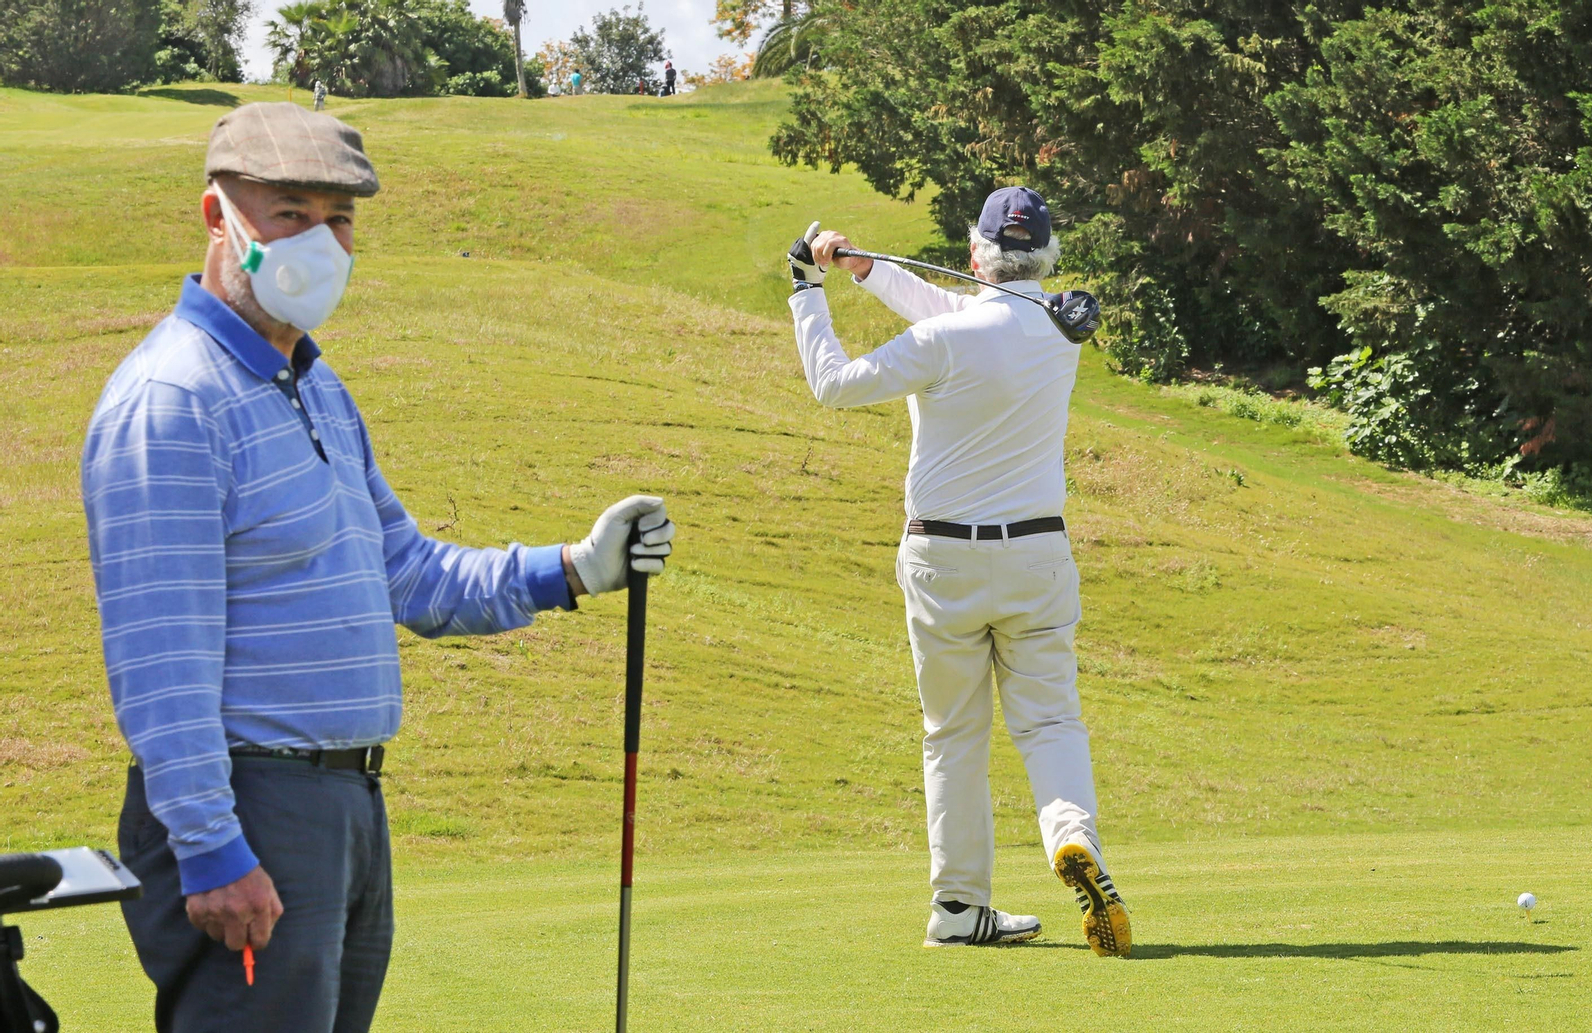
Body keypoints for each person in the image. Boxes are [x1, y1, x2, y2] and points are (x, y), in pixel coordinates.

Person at [81, 102, 678, 1032]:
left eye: (339, 217)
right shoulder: (174, 399)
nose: (319, 240)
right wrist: (210, 847)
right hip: (251, 809)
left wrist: (571, 568)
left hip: (346, 804)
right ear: (217, 217)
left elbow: (407, 571)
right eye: (289, 212)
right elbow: (161, 659)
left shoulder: (313, 384)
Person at [784, 188, 1130, 956]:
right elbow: (967, 312)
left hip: (942, 559)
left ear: (975, 254)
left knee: (953, 734)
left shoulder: (945, 340)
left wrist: (810, 289)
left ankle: (958, 905)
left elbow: (834, 384)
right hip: (1038, 554)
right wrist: (870, 271)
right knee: (1050, 720)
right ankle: (1073, 839)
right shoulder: (1060, 327)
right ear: (1049, 257)